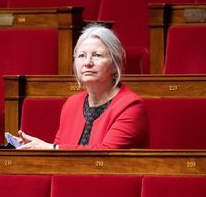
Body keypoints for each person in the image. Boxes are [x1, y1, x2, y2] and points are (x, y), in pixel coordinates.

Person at [16, 23, 149, 149]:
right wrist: (35, 148)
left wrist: (52, 148)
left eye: (97, 55)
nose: (87, 63)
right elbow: (59, 151)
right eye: (81, 56)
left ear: (115, 65)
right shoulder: (71, 104)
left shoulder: (131, 107)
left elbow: (106, 156)